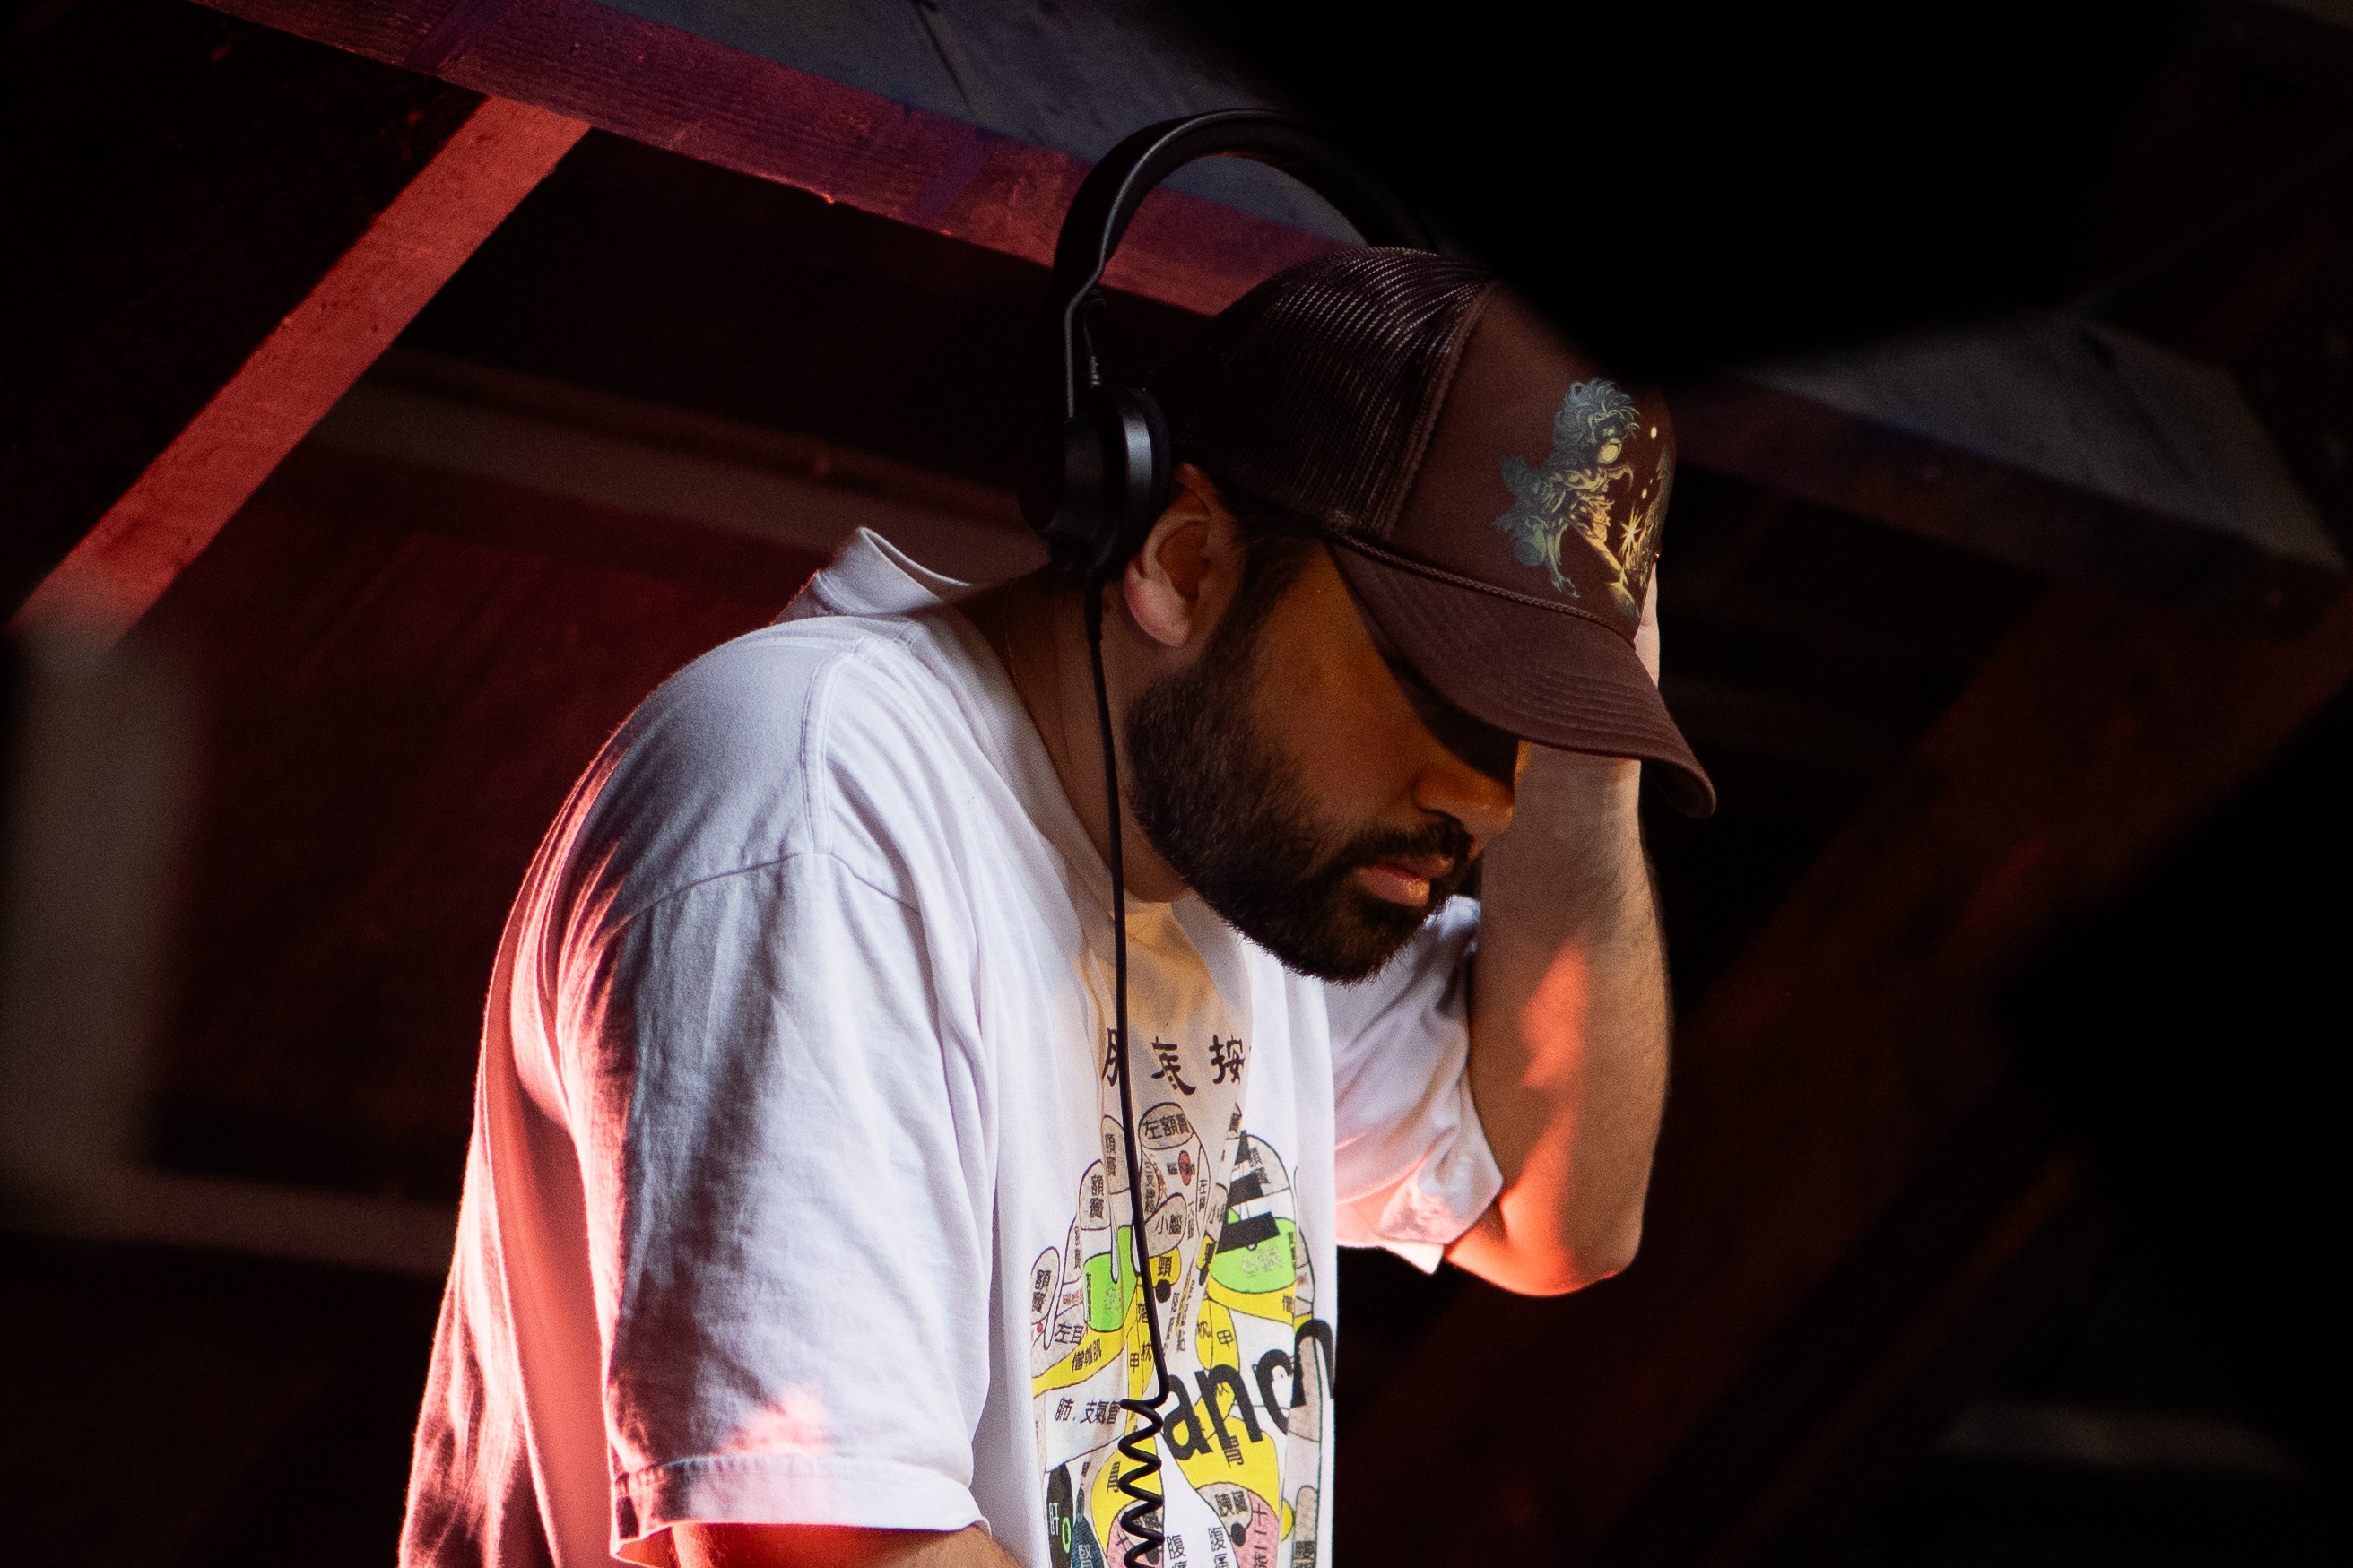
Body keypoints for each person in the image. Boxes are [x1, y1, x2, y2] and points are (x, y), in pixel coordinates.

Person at [399, 247, 1714, 1568]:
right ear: (1184, 562)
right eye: (1442, 682)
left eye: (1527, 723)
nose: (1488, 797)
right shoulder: (818, 803)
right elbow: (829, 1552)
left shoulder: (1246, 857)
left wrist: (1590, 747)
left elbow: (1552, 1207)